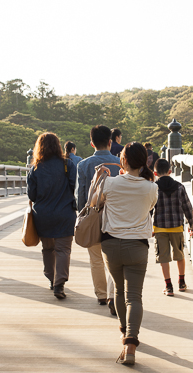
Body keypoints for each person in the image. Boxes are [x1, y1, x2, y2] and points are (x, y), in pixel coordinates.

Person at [100, 142, 158, 365]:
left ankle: (124, 333)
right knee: (134, 296)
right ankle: (131, 343)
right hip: (137, 247)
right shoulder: (151, 188)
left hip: (111, 244)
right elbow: (150, 207)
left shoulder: (110, 183)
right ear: (144, 162)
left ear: (122, 161)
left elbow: (96, 203)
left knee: (119, 291)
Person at [76, 125, 121, 313]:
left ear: (92, 142)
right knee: (114, 258)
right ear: (110, 142)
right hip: (116, 217)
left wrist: (81, 216)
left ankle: (101, 295)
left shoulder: (83, 165)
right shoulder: (120, 163)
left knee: (95, 258)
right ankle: (113, 294)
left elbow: (81, 198)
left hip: (94, 216)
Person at [27, 132, 77, 300]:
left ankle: (51, 278)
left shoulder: (35, 168)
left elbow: (31, 195)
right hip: (65, 214)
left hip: (44, 215)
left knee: (48, 249)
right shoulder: (67, 165)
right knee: (63, 250)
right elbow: (73, 187)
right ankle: (59, 283)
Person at [153, 158, 193, 296]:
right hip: (176, 226)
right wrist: (191, 223)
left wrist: (149, 227)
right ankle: (181, 282)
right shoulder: (179, 187)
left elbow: (148, 208)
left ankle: (168, 286)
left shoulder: (153, 188)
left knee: (163, 257)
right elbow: (187, 206)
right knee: (179, 254)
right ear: (170, 171)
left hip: (159, 228)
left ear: (155, 173)